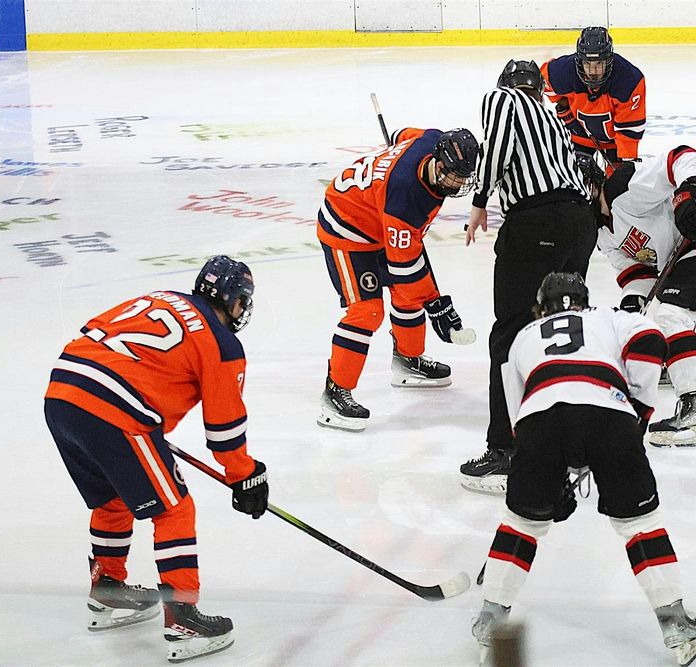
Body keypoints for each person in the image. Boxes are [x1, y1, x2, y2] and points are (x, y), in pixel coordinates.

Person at [472, 273, 696, 667]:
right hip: (607, 413)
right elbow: (651, 341)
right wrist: (640, 410)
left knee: (521, 526)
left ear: (540, 307)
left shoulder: (523, 336)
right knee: (640, 525)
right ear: (585, 301)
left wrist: (549, 475)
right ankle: (675, 624)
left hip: (539, 417)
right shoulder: (608, 318)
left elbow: (518, 418)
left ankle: (490, 625)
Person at [44, 255, 268, 663]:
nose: (242, 310)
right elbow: (224, 432)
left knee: (112, 499)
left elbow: (102, 336)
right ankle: (184, 619)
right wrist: (246, 476)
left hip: (62, 392)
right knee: (174, 510)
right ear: (234, 299)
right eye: (241, 301)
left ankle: (109, 591)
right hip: (115, 411)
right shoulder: (221, 342)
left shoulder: (162, 297)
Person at [462, 60, 597, 493]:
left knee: (510, 336)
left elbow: (498, 147)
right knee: (564, 330)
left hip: (537, 223)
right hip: (579, 224)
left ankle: (506, 451)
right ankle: (575, 444)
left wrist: (480, 198)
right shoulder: (553, 117)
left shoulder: (503, 99)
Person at [578, 145, 696, 447]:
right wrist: (630, 308)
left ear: (593, 184)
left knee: (671, 313)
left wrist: (688, 194)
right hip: (687, 252)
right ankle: (679, 367)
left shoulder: (624, 187)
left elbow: (682, 156)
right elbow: (636, 272)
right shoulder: (599, 232)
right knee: (664, 312)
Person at [317, 127, 479, 432]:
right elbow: (404, 269)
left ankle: (407, 359)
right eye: (453, 175)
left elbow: (401, 133)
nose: (458, 184)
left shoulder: (431, 138)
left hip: (377, 218)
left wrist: (432, 301)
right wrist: (436, 304)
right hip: (346, 227)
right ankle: (334, 392)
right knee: (367, 311)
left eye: (463, 176)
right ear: (438, 162)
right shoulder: (406, 195)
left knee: (408, 295)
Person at [541, 26, 647, 167]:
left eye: (599, 64)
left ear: (609, 61)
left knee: (618, 185)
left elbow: (629, 131)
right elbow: (539, 83)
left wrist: (627, 161)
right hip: (579, 136)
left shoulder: (628, 80)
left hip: (614, 143)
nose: (593, 71)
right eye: (587, 64)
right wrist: (563, 105)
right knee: (574, 180)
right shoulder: (564, 71)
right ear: (579, 61)